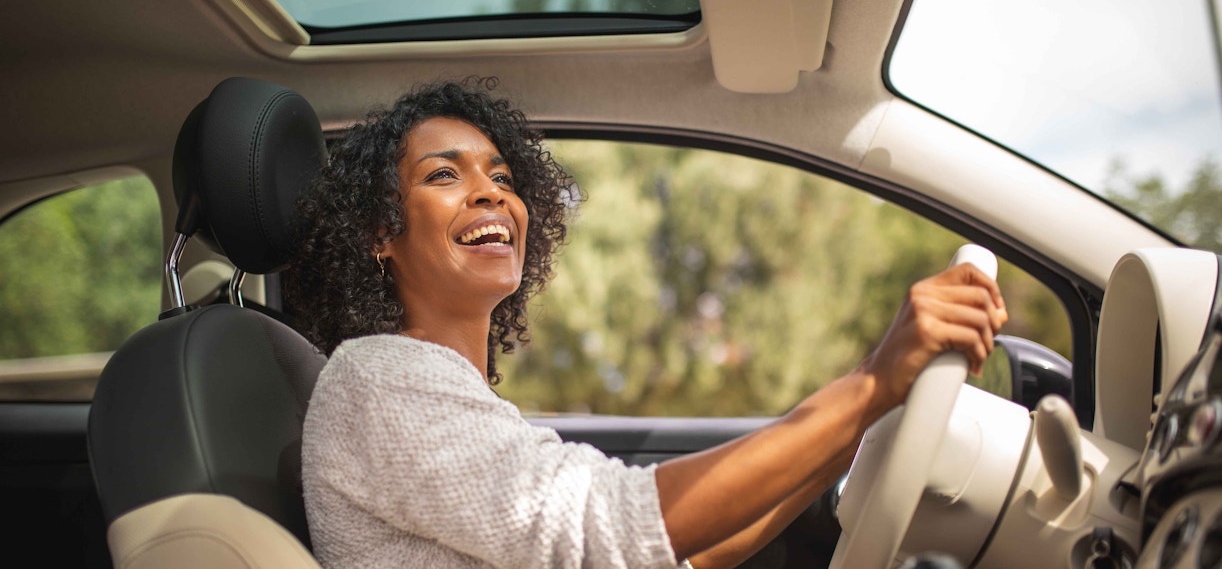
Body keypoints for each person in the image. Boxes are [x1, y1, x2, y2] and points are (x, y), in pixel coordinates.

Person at [287, 78, 1007, 569]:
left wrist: (865, 418)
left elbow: (684, 553)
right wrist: (871, 380)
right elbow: (617, 524)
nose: (488, 192)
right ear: (382, 230)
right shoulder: (379, 380)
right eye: (445, 175)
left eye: (504, 177)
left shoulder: (450, 396)